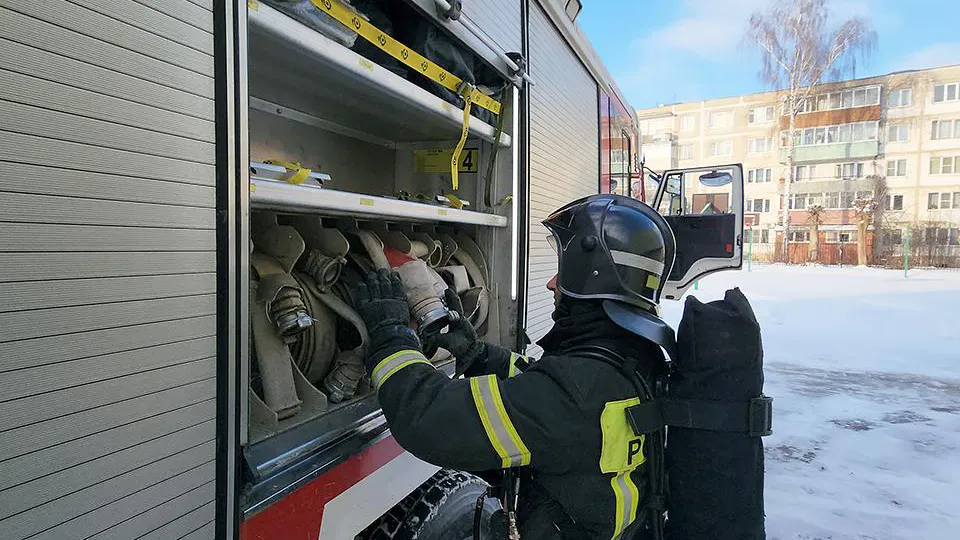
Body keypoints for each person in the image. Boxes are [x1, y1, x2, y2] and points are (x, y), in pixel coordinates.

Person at [352, 194, 678, 540]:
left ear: (590, 278)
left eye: (562, 272)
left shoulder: (573, 396)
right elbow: (541, 388)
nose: (551, 283)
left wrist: (390, 336)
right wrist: (478, 355)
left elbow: (428, 418)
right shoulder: (635, 362)